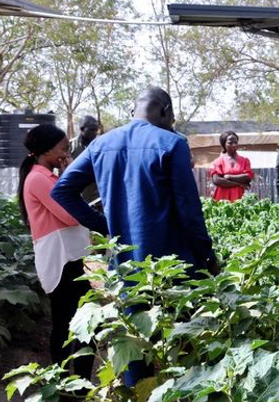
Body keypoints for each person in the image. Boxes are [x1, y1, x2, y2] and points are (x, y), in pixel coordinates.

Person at [52, 87, 218, 274]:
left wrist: (105, 225)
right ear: (166, 111)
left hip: (125, 266)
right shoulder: (173, 143)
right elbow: (189, 210)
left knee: (132, 302)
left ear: (133, 112)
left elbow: (62, 191)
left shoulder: (100, 144)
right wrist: (207, 255)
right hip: (171, 268)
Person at [19, 124, 93, 382]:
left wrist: (65, 176)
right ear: (47, 150)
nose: (65, 153)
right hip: (61, 260)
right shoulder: (39, 179)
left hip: (67, 258)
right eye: (62, 148)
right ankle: (74, 385)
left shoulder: (46, 176)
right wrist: (71, 174)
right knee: (76, 322)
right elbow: (71, 216)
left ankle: (69, 383)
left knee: (72, 321)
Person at [209, 130, 253, 202]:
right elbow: (217, 180)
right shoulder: (218, 161)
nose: (234, 145)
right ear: (224, 144)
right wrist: (239, 184)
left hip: (240, 197)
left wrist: (229, 177)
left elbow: (248, 177)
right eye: (230, 143)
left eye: (236, 142)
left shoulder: (245, 160)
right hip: (222, 197)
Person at [69, 116, 101, 205]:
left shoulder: (100, 146)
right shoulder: (70, 147)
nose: (95, 133)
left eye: (96, 130)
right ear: (82, 129)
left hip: (97, 198)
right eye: (91, 130)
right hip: (77, 197)